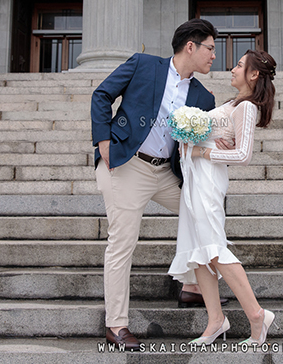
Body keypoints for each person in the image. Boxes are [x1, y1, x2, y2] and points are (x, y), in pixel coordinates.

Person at [91, 18, 231, 351]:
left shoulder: (203, 96)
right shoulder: (144, 66)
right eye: (211, 49)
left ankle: (191, 286)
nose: (215, 56)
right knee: (122, 242)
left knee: (204, 213)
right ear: (191, 46)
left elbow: (202, 140)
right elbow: (102, 95)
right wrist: (103, 141)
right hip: (127, 165)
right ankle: (117, 325)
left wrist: (220, 142)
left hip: (166, 172)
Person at [168, 49, 278, 346]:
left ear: (254, 74)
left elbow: (243, 154)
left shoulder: (247, 107)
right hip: (195, 177)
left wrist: (202, 151)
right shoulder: (233, 103)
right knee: (198, 251)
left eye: (240, 65)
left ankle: (257, 315)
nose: (233, 68)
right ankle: (215, 320)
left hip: (208, 179)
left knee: (214, 248)